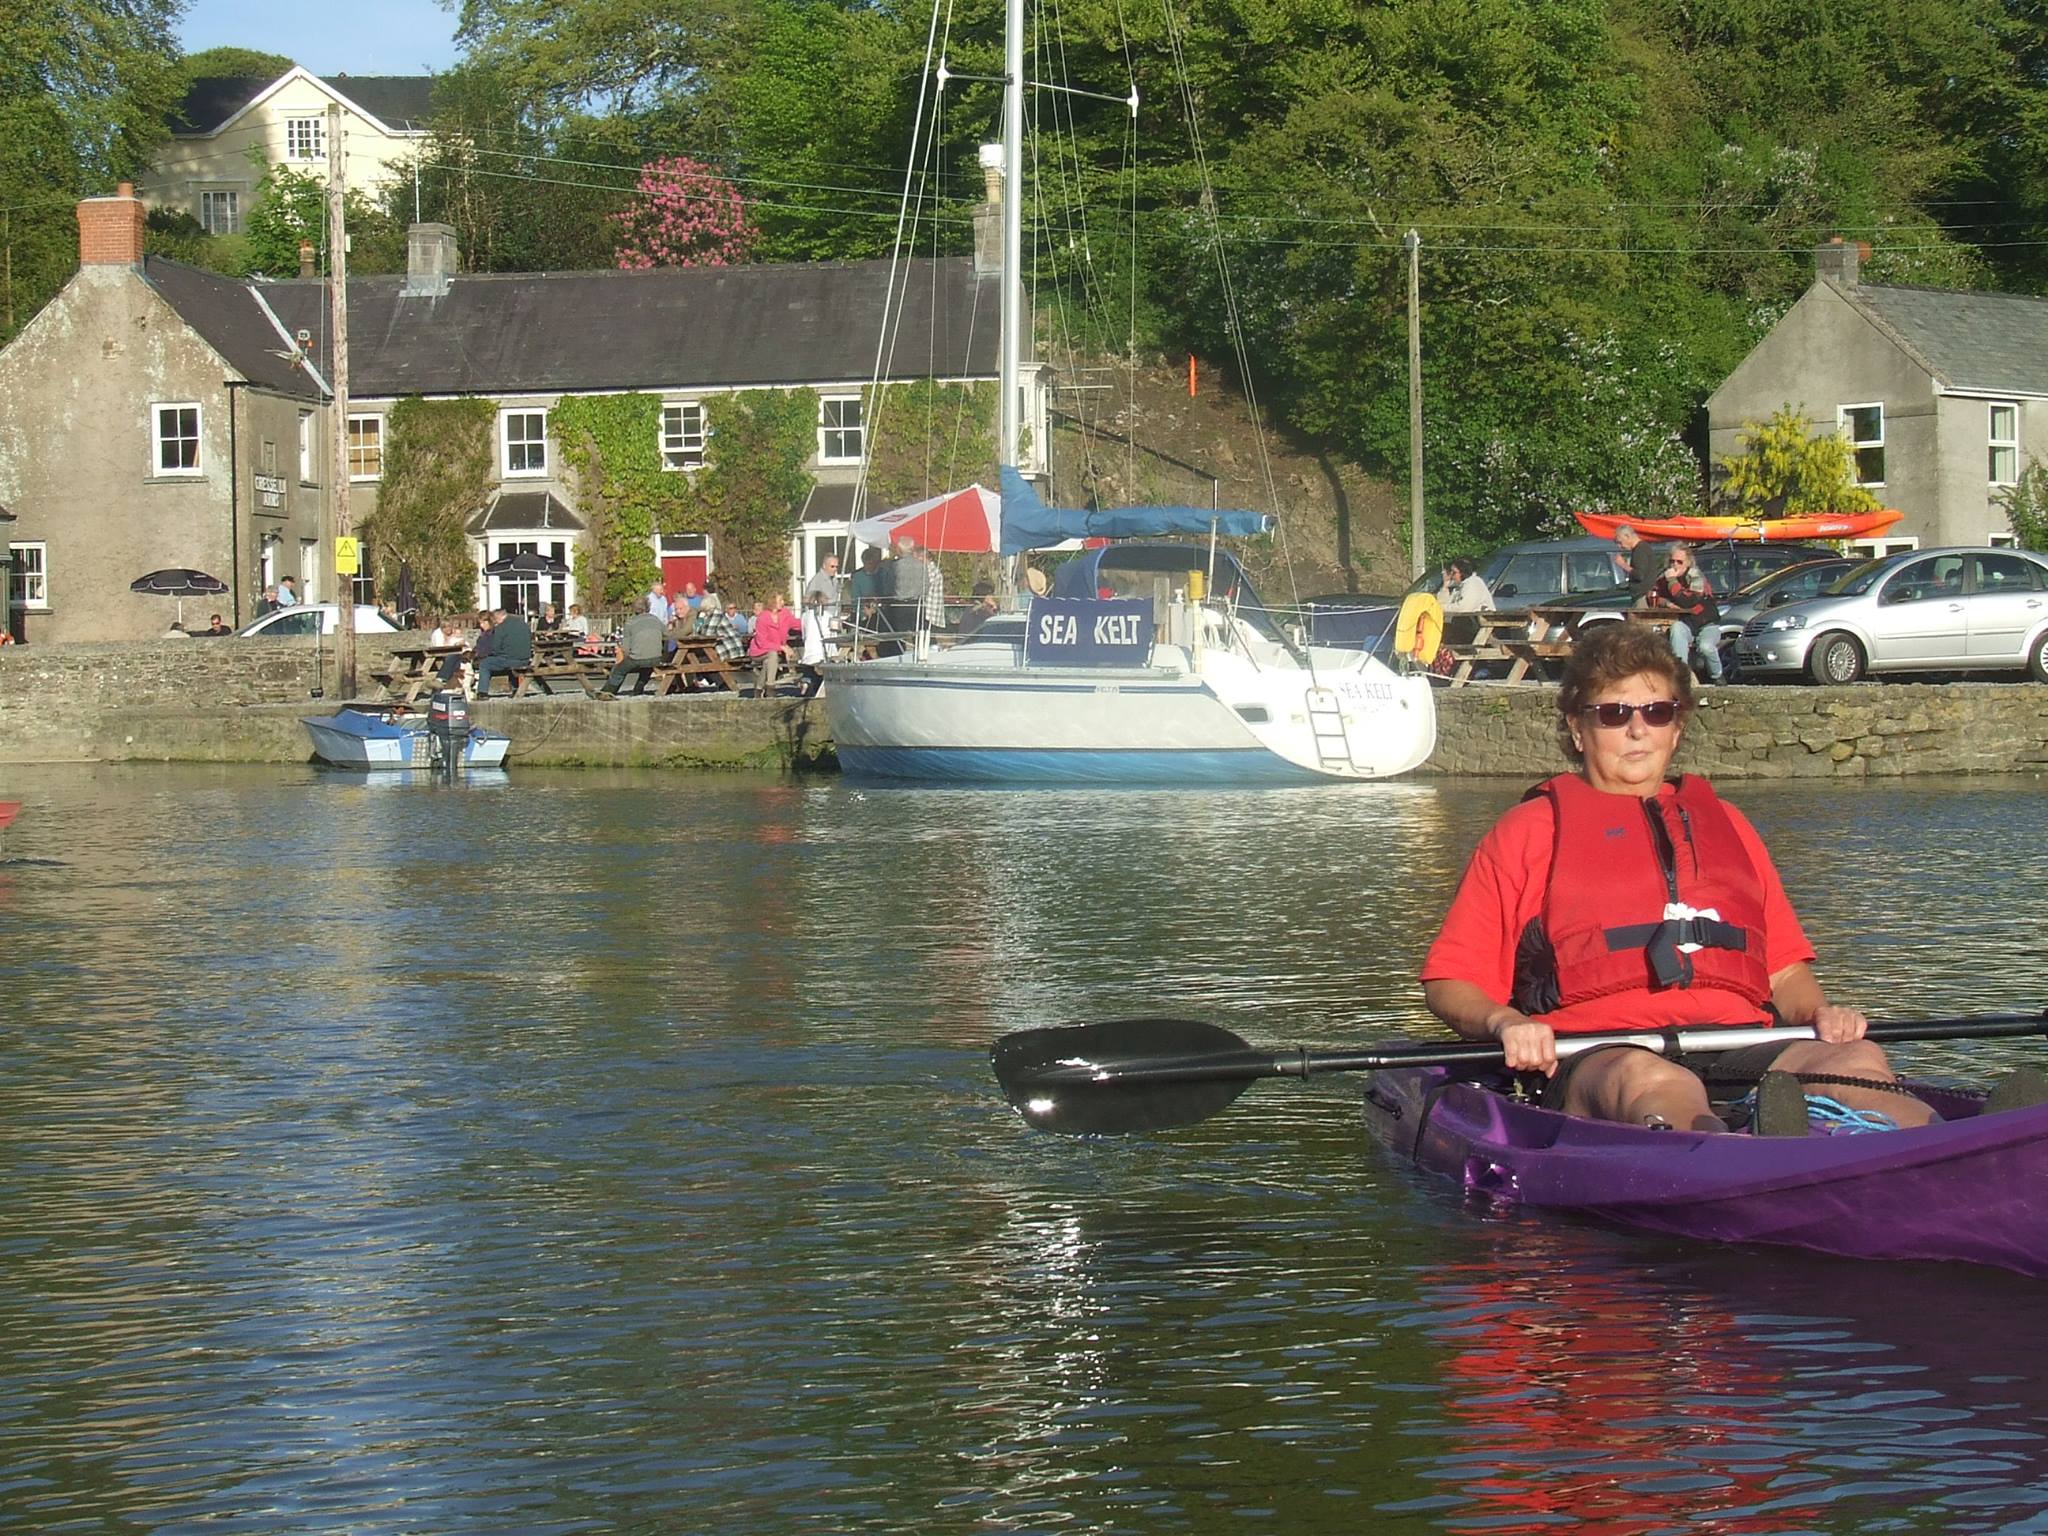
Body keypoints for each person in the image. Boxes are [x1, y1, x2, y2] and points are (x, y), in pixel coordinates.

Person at [1420, 622, 1937, 1137]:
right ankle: (1725, 1154)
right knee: (1649, 1079)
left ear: (1677, 727)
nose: (1638, 729)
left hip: (1739, 1044)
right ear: (1578, 729)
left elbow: (1783, 974)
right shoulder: (1528, 832)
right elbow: (1452, 981)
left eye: (1657, 712)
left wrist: (1821, 1013)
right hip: (1599, 1053)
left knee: (1856, 1059)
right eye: (1614, 714)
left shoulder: (1728, 825)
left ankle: (1948, 1151)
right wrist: (1505, 1023)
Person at [1648, 544, 1723, 683]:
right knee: (1676, 629)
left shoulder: (1696, 576)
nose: (1675, 565)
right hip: (1686, 622)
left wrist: (1672, 581)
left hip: (1705, 622)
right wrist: (1667, 603)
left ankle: (1717, 676)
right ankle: (1681, 674)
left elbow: (1689, 601)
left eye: (1679, 561)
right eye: (1672, 561)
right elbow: (1652, 594)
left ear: (1688, 562)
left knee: (1706, 647)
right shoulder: (1664, 576)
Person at [601, 609, 668, 697]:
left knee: (619, 670)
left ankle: (608, 691)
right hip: (656, 657)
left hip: (637, 658)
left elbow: (625, 648)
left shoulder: (630, 622)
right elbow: (667, 633)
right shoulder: (655, 619)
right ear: (647, 608)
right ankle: (638, 689)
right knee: (647, 667)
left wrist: (624, 658)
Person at [749, 596, 798, 694]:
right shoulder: (762, 618)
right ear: (773, 602)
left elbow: (796, 623)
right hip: (759, 651)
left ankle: (759, 688)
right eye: (780, 600)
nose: (783, 602)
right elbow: (761, 642)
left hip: (776, 652)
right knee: (772, 654)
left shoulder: (785, 614)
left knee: (769, 661)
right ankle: (770, 686)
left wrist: (810, 623)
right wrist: (782, 647)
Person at [477, 606, 532, 695]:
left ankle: (482, 692)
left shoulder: (501, 628)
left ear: (498, 618)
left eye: (494, 620)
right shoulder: (522, 623)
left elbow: (495, 649)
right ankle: (515, 688)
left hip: (511, 660)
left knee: (485, 664)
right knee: (509, 658)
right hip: (526, 659)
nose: (494, 622)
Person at [1608, 524, 1662, 607]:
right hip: (1642, 596)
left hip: (1642, 597)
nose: (1619, 546)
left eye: (1620, 542)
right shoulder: (1641, 548)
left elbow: (1639, 575)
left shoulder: (1640, 550)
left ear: (1627, 536)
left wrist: (1623, 564)